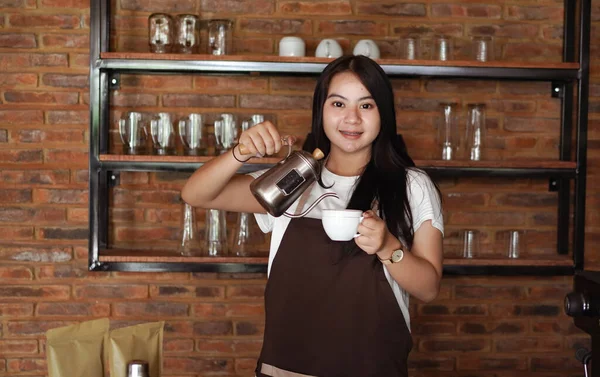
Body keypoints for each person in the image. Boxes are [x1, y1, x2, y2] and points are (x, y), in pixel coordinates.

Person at [181, 55, 444, 377]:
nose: (351, 119)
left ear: (384, 114)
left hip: (371, 366)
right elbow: (195, 195)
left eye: (366, 105)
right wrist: (241, 152)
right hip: (286, 367)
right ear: (320, 110)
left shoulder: (411, 185)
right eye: (338, 104)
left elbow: (428, 288)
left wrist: (388, 246)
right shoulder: (293, 177)